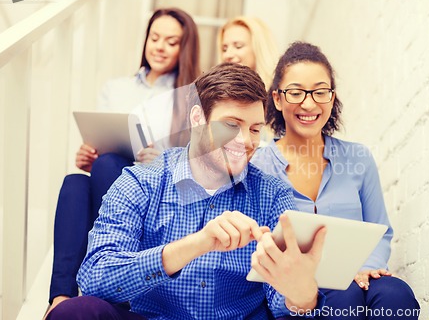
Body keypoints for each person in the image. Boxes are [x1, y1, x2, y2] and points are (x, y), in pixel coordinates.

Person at [46, 62, 328, 320]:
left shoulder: (273, 194)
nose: (246, 141)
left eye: (255, 129)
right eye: (231, 125)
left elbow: (282, 304)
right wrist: (198, 243)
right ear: (197, 118)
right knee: (76, 312)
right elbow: (95, 277)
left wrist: (302, 294)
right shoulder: (140, 182)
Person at [46, 7, 200, 316]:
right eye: (154, 38)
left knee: (106, 167)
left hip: (155, 197)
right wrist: (87, 156)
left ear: (184, 48)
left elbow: (195, 164)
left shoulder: (189, 98)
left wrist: (160, 160)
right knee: (76, 182)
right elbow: (99, 143)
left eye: (171, 41)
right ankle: (60, 297)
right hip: (109, 178)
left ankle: (116, 270)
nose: (159, 46)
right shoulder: (115, 87)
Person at [252, 42, 420, 319]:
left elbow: (380, 229)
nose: (309, 103)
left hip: (361, 275)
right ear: (278, 99)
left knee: (396, 295)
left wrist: (368, 267)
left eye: (320, 92)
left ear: (332, 98)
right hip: (297, 291)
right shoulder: (259, 166)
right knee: (344, 298)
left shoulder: (358, 158)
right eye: (295, 93)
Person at [217, 16, 279, 90]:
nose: (227, 55)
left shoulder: (278, 92)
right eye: (224, 49)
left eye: (238, 46)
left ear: (259, 49)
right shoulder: (217, 92)